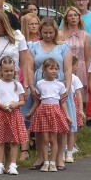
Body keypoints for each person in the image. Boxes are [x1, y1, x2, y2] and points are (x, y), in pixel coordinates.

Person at [25, 18, 73, 168]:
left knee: (60, 125)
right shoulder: (33, 46)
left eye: (51, 32)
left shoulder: (64, 47)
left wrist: (68, 86)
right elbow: (29, 67)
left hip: (59, 86)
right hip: (40, 86)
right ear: (40, 32)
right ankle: (41, 157)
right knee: (40, 125)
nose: (48, 35)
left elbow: (68, 69)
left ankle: (59, 158)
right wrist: (31, 86)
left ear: (56, 32)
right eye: (45, 33)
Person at [26, 58, 72, 172]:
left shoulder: (60, 85)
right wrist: (30, 113)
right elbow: (37, 101)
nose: (54, 71)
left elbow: (63, 102)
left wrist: (67, 116)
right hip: (43, 113)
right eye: (51, 68)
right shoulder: (40, 84)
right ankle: (45, 162)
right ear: (44, 69)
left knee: (53, 139)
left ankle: (53, 162)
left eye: (56, 69)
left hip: (55, 113)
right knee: (45, 139)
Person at [0, 56, 28, 175]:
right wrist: (1, 105)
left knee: (14, 141)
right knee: (0, 140)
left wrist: (16, 104)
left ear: (14, 70)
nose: (9, 73)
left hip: (14, 114)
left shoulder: (17, 84)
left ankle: (13, 165)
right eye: (6, 71)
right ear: (1, 71)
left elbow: (22, 101)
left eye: (11, 70)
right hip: (1, 113)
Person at [61, 5, 91, 98]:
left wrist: (89, 75)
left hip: (80, 68)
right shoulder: (60, 34)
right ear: (66, 19)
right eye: (70, 15)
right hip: (65, 67)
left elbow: (88, 57)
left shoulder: (86, 35)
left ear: (79, 17)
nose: (73, 17)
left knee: (80, 97)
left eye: (75, 15)